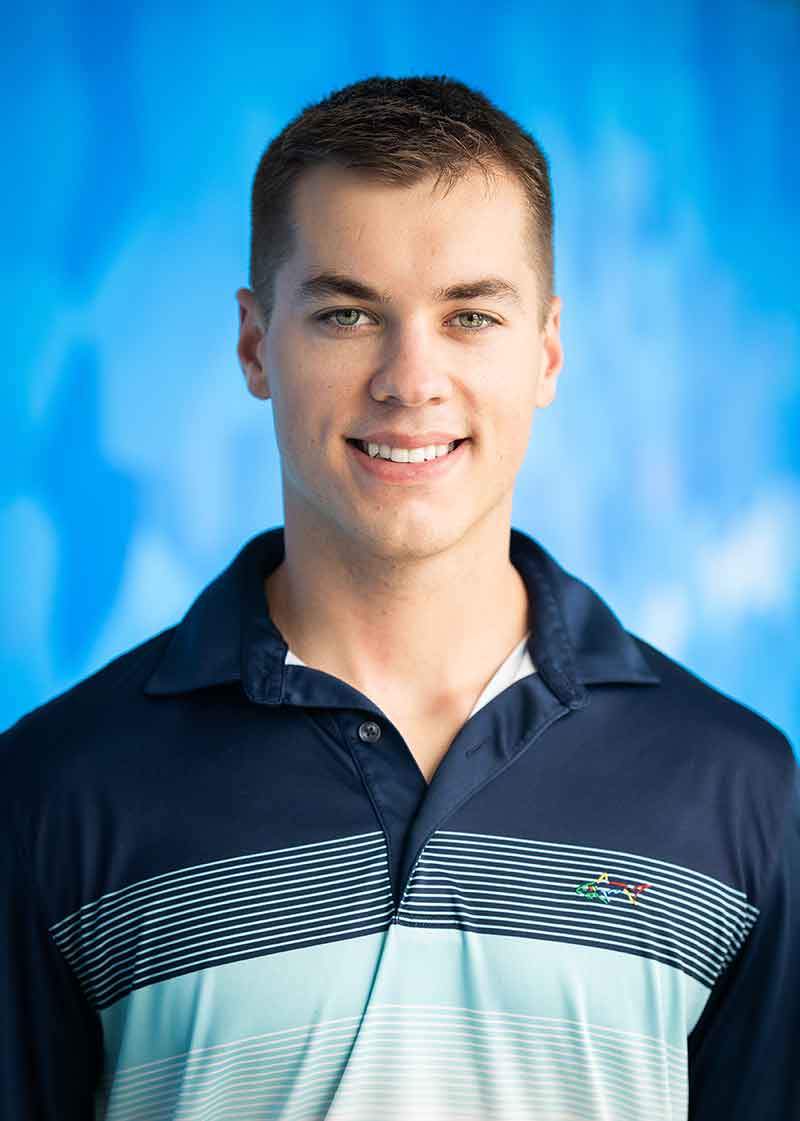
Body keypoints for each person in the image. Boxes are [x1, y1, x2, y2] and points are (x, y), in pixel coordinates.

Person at [1, 74, 798, 1121]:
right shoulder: (56, 787)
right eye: (345, 313)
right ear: (254, 344)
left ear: (546, 348)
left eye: (469, 314)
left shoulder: (734, 787)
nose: (409, 379)